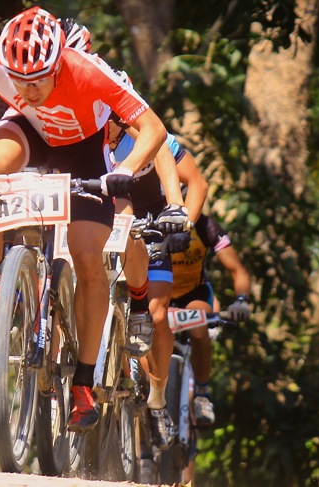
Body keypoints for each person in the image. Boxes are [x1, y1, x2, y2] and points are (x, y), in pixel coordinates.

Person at [0, 6, 185, 432]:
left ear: (60, 62)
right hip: (25, 131)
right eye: (18, 80)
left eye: (38, 80)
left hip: (82, 151)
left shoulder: (91, 73)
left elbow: (153, 130)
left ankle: (83, 380)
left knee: (87, 256)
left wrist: (124, 169)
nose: (28, 88)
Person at [106, 92, 207, 450]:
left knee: (156, 311)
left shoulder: (143, 131)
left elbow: (197, 183)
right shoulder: (79, 134)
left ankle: (158, 396)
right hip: (109, 218)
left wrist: (185, 226)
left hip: (153, 225)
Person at [169, 213, 251, 482]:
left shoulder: (205, 226)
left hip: (194, 296)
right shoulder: (152, 215)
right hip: (159, 295)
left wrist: (241, 300)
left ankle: (202, 394)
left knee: (198, 324)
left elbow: (237, 269)